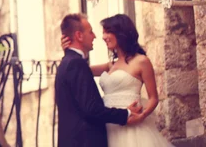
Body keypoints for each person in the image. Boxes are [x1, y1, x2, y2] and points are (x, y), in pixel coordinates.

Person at [61, 14, 173, 147]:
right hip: (109, 127)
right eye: (103, 33)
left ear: (121, 32)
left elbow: (153, 98)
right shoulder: (110, 65)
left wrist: (141, 116)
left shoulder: (142, 61)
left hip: (132, 128)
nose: (103, 37)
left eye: (108, 32)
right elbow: (80, 70)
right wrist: (69, 52)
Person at [56, 13, 143, 147]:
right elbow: (91, 109)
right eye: (90, 32)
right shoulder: (75, 64)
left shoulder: (68, 63)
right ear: (79, 36)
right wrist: (126, 113)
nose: (96, 36)